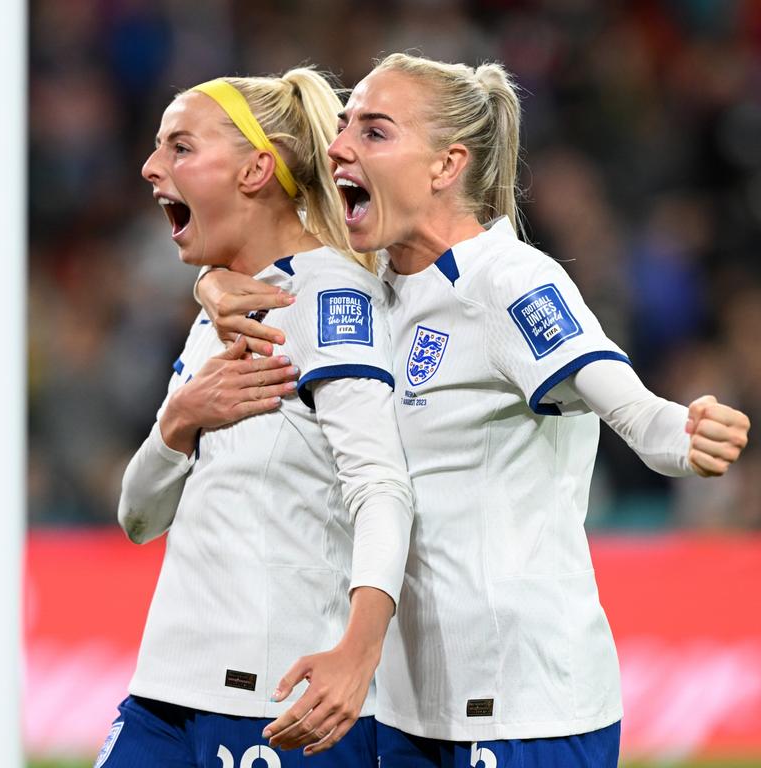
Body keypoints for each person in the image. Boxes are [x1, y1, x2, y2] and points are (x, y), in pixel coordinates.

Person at [197, 53, 750, 767]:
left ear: (445, 164)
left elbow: (635, 411)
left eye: (374, 131)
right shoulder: (365, 290)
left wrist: (687, 431)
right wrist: (208, 284)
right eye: (344, 129)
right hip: (405, 706)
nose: (339, 147)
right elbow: (253, 251)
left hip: (523, 702)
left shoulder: (505, 281)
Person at [94, 67, 415, 768]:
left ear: (255, 171)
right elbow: (139, 518)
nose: (151, 167)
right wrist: (178, 419)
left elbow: (382, 485)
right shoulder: (222, 309)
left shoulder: (332, 298)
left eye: (180, 147)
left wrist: (359, 653)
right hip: (166, 688)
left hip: (271, 699)